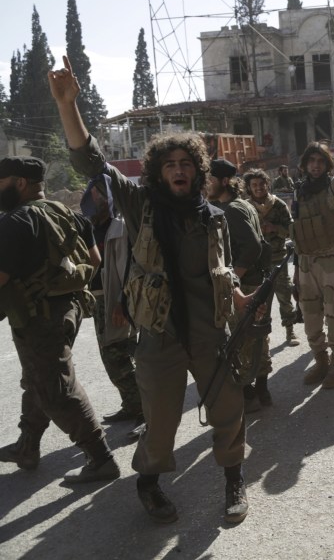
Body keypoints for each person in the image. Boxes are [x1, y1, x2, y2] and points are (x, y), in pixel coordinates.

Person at [51, 55, 254, 525]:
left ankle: (233, 481)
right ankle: (149, 481)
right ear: (158, 171)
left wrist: (238, 294)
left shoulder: (214, 217)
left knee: (228, 409)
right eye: (170, 164)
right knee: (160, 422)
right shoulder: (139, 203)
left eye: (187, 163)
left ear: (198, 171)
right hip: (159, 336)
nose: (179, 170)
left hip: (210, 331)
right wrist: (68, 106)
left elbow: (220, 269)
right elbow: (90, 160)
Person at [0, 156, 120, 483]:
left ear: (19, 183)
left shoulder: (13, 222)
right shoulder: (66, 213)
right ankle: (27, 446)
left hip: (36, 319)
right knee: (38, 378)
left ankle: (101, 458)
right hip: (69, 310)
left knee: (56, 388)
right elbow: (94, 260)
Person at [290, 130, 334, 388]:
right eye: (311, 161)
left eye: (320, 161)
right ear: (305, 165)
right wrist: (296, 270)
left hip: (332, 262)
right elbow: (297, 231)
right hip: (307, 263)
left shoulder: (333, 189)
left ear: (326, 165)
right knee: (310, 315)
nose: (315, 166)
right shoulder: (298, 192)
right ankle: (321, 362)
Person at [207, 159, 271, 413]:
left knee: (240, 338)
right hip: (252, 282)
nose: (205, 185)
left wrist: (233, 278)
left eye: (210, 180)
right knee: (256, 336)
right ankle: (262, 391)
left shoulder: (231, 209)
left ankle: (249, 393)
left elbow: (253, 246)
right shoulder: (239, 204)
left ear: (224, 181)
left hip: (245, 284)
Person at [80, 177, 143, 431]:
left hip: (116, 298)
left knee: (126, 357)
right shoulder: (90, 226)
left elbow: (131, 266)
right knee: (113, 358)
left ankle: (146, 412)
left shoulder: (121, 226)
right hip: (98, 299)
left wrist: (122, 301)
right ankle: (132, 405)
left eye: (99, 193)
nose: (94, 198)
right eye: (92, 193)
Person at [244, 168, 299, 346]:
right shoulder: (245, 207)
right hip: (256, 262)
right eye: (254, 185)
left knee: (284, 295)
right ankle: (262, 334)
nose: (259, 188)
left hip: (278, 259)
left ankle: (290, 331)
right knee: (260, 299)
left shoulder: (279, 205)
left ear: (267, 184)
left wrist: (275, 228)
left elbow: (292, 230)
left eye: (261, 184)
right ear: (249, 188)